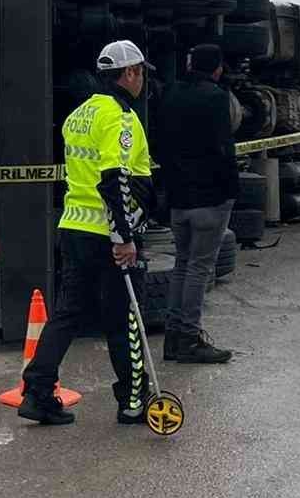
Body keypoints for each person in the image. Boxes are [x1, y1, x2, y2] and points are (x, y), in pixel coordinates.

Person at [19, 40, 156, 426]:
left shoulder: (79, 114)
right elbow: (115, 179)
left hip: (74, 226)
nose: (142, 80)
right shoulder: (120, 117)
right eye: (140, 73)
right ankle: (133, 400)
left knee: (66, 314)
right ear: (129, 73)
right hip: (108, 233)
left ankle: (37, 393)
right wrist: (124, 237)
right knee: (124, 318)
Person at [150, 43, 235, 364]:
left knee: (182, 265)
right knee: (199, 268)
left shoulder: (171, 94)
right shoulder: (216, 98)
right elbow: (223, 148)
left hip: (179, 197)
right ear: (217, 69)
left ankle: (173, 338)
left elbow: (160, 144)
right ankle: (189, 337)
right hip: (210, 198)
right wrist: (231, 189)